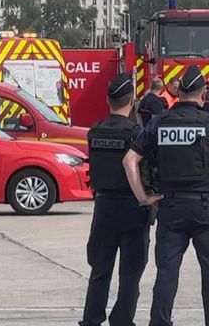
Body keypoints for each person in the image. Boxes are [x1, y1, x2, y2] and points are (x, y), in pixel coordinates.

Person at [123, 65, 209, 326]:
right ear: (203, 93)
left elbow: (129, 160)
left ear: (178, 92)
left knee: (167, 274)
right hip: (205, 208)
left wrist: (143, 197)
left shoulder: (160, 122)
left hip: (170, 207)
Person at [80, 73, 151, 326]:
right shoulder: (138, 133)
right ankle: (122, 319)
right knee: (131, 272)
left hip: (104, 206)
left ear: (107, 100)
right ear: (132, 101)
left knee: (100, 269)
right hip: (132, 207)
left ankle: (91, 318)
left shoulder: (94, 131)